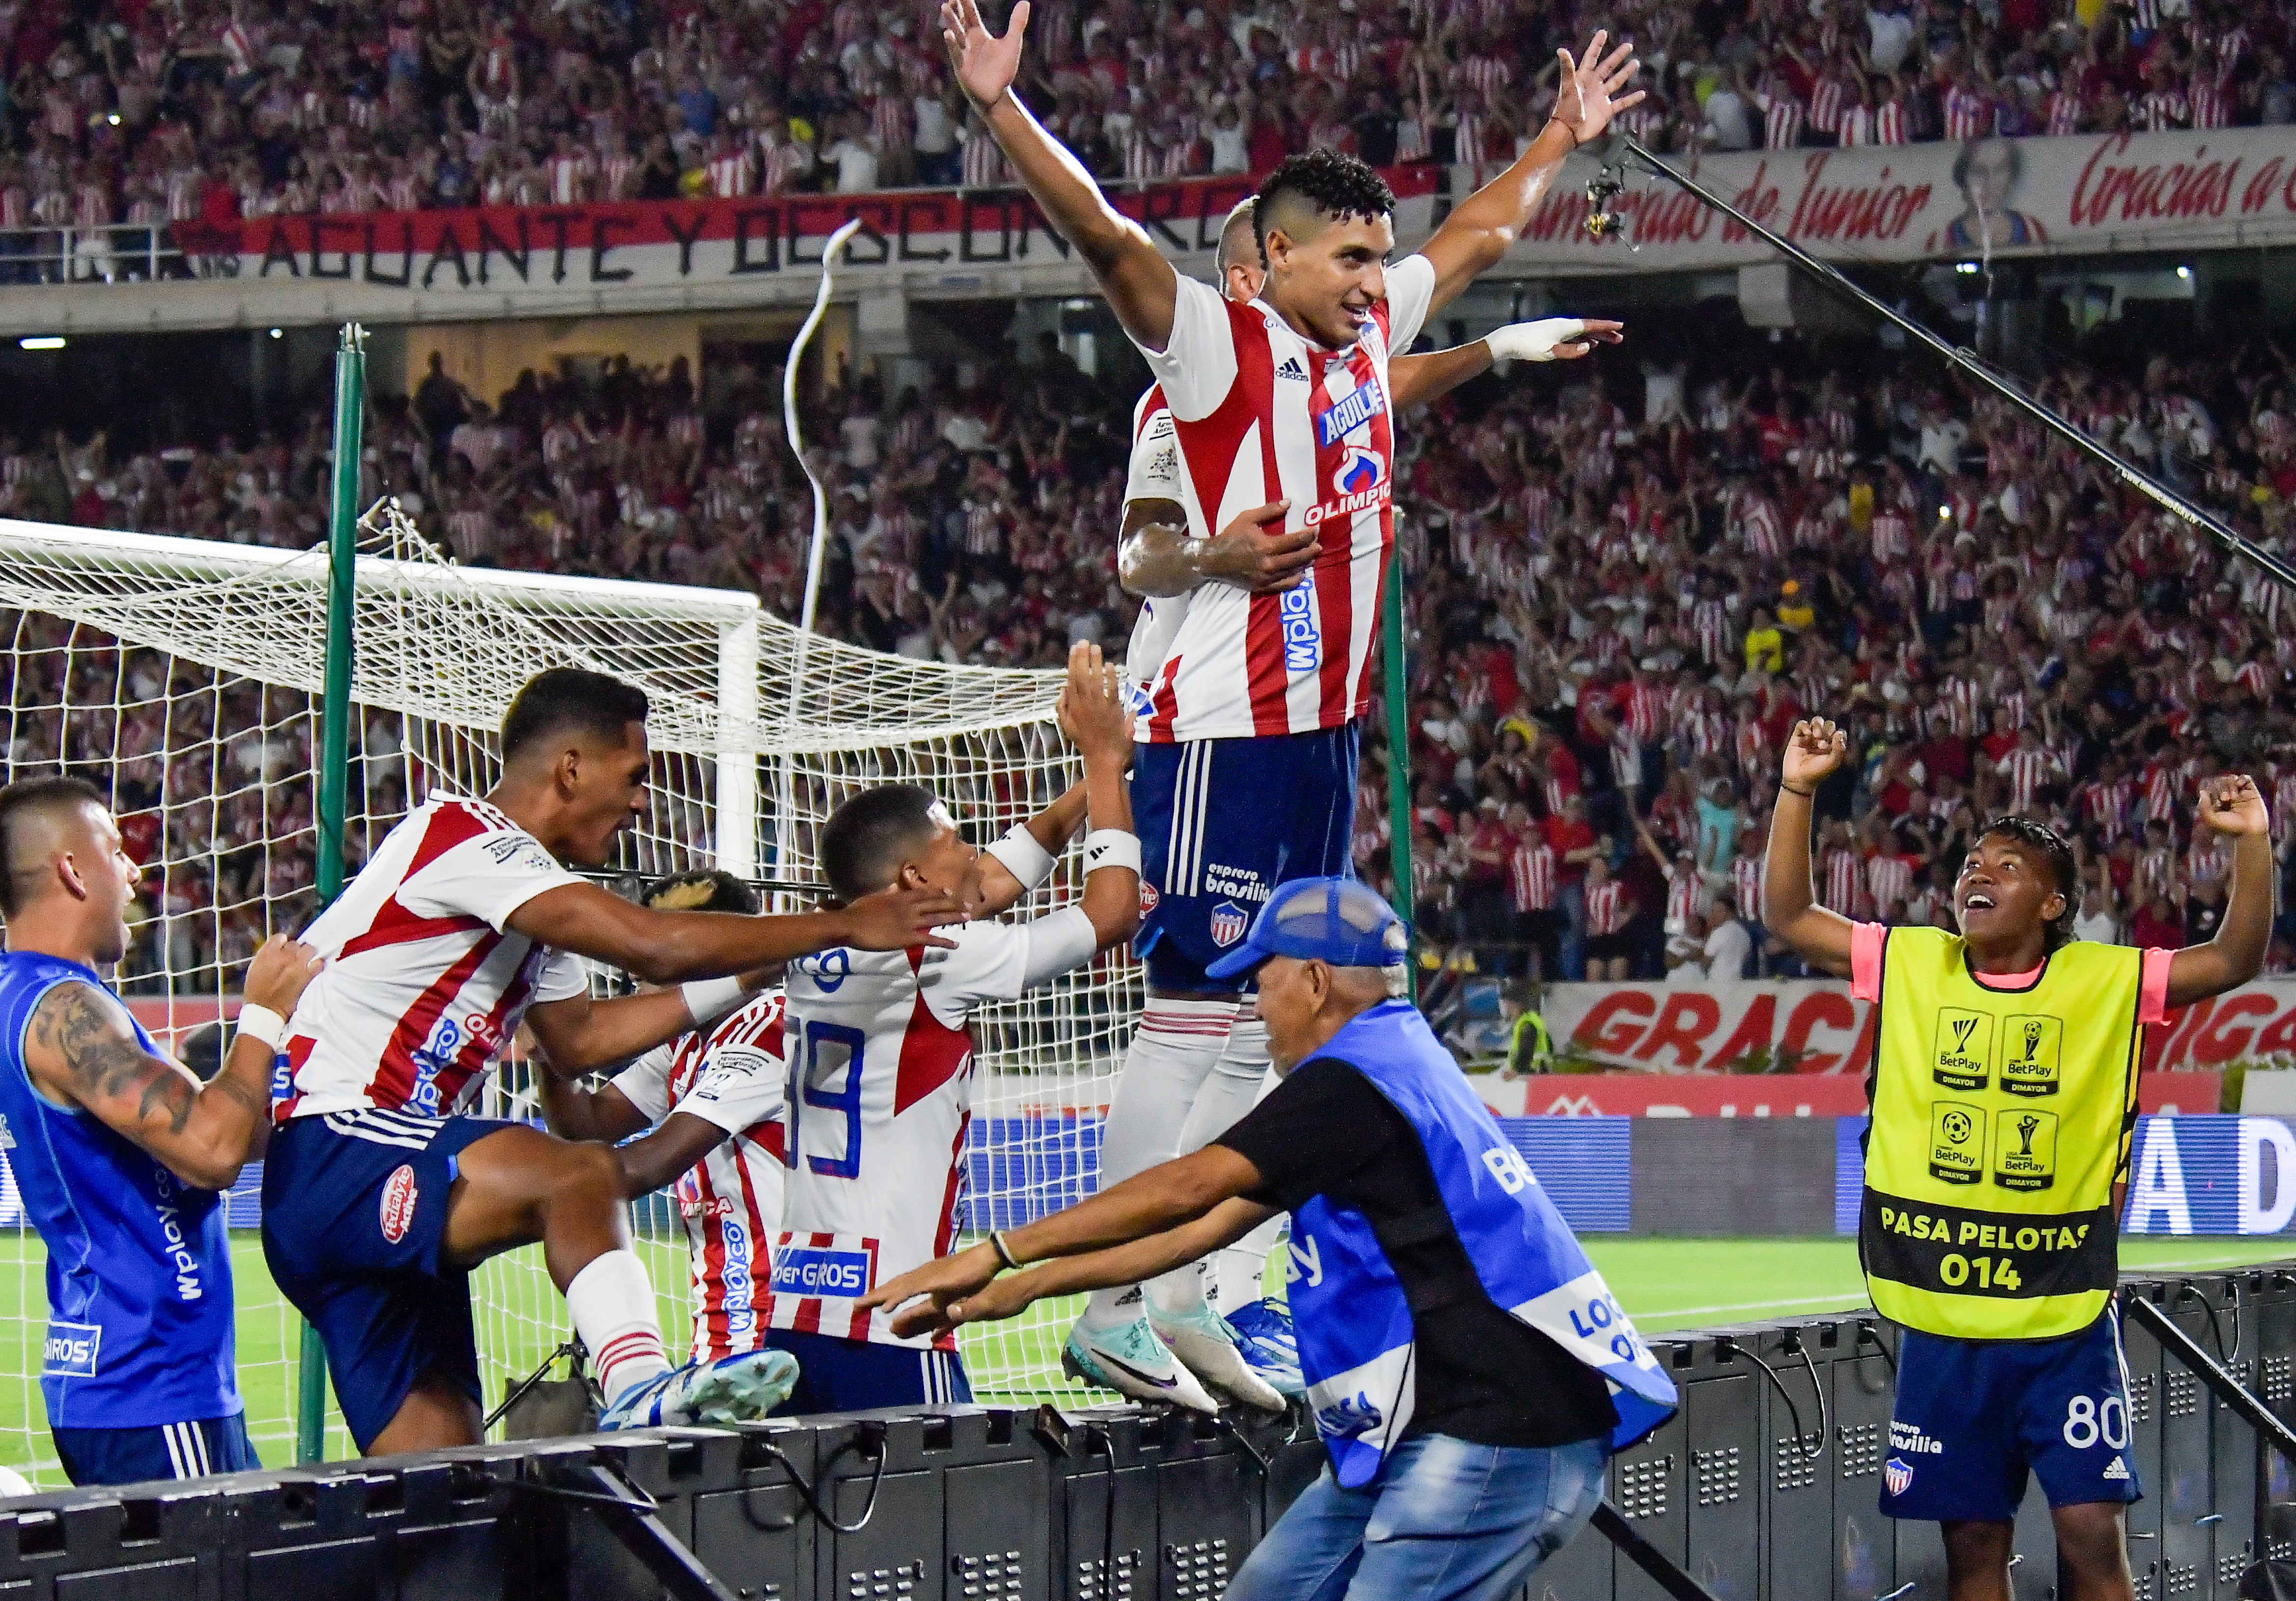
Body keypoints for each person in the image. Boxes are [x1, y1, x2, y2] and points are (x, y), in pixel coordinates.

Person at [1100, 194, 1626, 1407]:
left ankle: (1205, 1291)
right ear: (1254, 277)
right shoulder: (1191, 390)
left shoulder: (1339, 366)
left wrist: (1500, 342)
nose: (1362, 294)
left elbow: (1409, 346)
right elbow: (1135, 555)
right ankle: (1112, 1302)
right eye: (1339, 265)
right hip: (1218, 724)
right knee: (1195, 1005)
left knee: (1269, 1013)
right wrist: (1212, 555)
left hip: (1316, 729)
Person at [859, 876, 1677, 1601]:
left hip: (1498, 1439)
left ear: (1316, 981)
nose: (1254, 1004)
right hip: (1428, 1432)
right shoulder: (1392, 1058)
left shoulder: (1350, 1081)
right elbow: (1200, 1230)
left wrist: (999, 1249)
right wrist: (1029, 1287)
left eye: (1262, 979)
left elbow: (1186, 1188)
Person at [262, 666, 962, 1456]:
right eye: (633, 777)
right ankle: (636, 1390)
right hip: (343, 1148)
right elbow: (652, 946)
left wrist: (752, 972)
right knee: (582, 1174)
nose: (640, 803)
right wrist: (840, 925)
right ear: (571, 768)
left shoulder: (534, 903)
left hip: (362, 1200)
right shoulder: (464, 837)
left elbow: (582, 1041)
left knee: (448, 1488)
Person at [1763, 717, 2271, 1601]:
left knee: (2087, 1538)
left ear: (2051, 906)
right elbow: (1787, 915)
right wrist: (1798, 789)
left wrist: (2255, 845)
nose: (1976, 873)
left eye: (2005, 865)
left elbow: (2234, 956)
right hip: (1946, 1322)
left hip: (2061, 1321)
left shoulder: (2107, 979)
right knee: (1973, 1550)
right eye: (1970, 863)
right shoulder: (1913, 962)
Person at [762, 642, 1144, 1412]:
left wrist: (1085, 792)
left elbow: (985, 882)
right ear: (912, 882)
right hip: (896, 1322)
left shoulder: (815, 945)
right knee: (932, 1532)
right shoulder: (938, 957)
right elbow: (1111, 914)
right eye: (955, 844)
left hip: (797, 1315)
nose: (973, 853)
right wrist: (1104, 764)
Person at [0, 777, 322, 1485]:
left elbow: (209, 1135)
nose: (134, 870)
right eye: (116, 850)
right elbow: (210, 1152)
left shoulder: (28, 998)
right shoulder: (67, 1010)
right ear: (71, 871)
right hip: (152, 1384)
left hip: (120, 1380)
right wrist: (263, 1015)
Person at [534, 869, 793, 1368]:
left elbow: (644, 1165)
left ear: (707, 951)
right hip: (727, 1326)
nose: (634, 967)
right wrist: (549, 1047)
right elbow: (588, 1125)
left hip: (775, 1329)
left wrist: (523, 1192)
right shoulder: (686, 1041)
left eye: (651, 948)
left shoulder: (767, 1024)